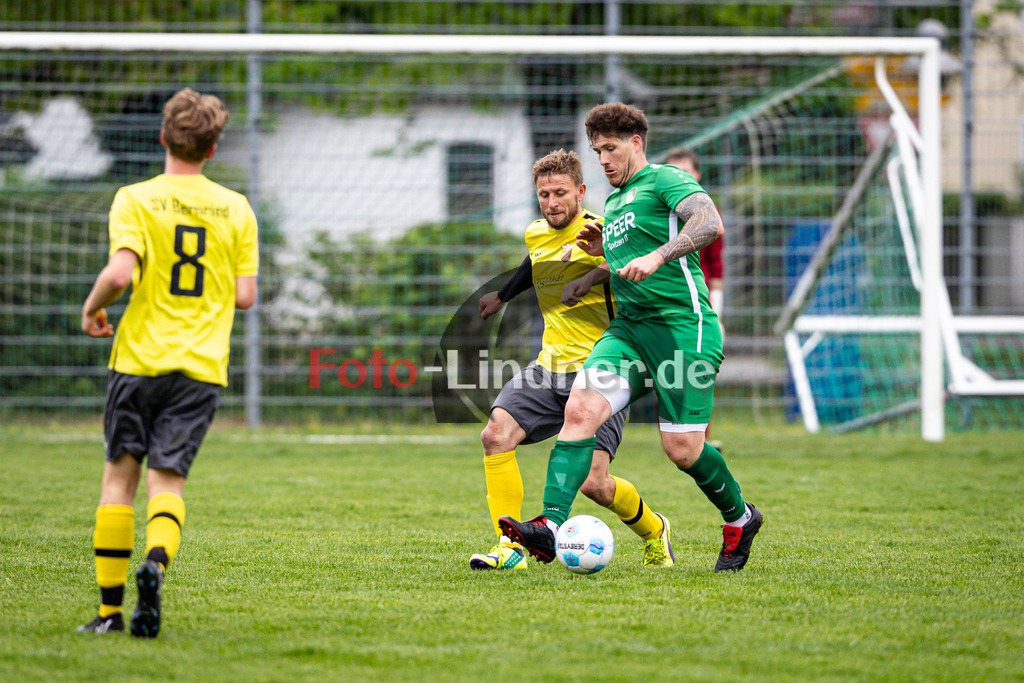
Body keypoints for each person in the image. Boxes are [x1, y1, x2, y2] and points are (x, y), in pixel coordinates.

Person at [500, 104, 762, 573]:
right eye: (597, 149)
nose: (602, 158)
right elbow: (628, 255)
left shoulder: (665, 180)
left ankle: (740, 518)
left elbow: (708, 223)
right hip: (628, 332)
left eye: (610, 148)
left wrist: (660, 256)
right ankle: (550, 526)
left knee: (683, 450)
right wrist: (598, 263)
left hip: (683, 328)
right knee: (579, 410)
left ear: (636, 143)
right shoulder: (616, 203)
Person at [77, 88, 258, 636]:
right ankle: (154, 565)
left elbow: (119, 275)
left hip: (138, 361)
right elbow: (245, 295)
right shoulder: (235, 207)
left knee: (118, 483)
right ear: (213, 147)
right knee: (167, 484)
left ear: (163, 137)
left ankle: (109, 613)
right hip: (199, 368)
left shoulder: (135, 198)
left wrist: (91, 309)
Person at [470, 149, 674, 570]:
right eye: (543, 195)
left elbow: (632, 268)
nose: (551, 203)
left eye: (560, 193)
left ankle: (654, 529)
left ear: (581, 192)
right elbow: (535, 263)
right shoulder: (535, 233)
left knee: (593, 484)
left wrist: (592, 273)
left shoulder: (607, 233)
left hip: (604, 369)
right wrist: (502, 296)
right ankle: (509, 550)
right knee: (495, 435)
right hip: (548, 365)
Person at [665, 148, 724, 448]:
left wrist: (717, 308)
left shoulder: (707, 214)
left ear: (697, 175)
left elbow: (715, 265)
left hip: (698, 302)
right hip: (664, 304)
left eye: (685, 172)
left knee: (700, 368)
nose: (680, 178)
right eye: (674, 172)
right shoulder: (659, 210)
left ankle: (701, 438)